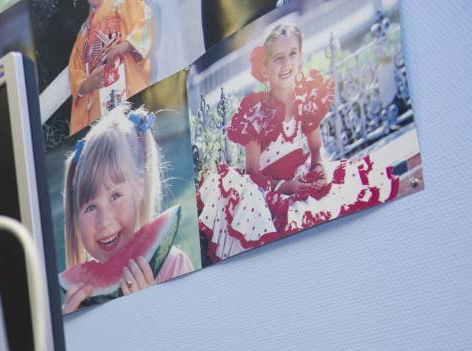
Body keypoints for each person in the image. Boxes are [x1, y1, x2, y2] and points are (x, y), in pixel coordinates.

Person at [196, 21, 399, 262]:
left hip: (301, 179)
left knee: (343, 199)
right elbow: (253, 176)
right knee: (298, 229)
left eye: (292, 54)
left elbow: (315, 150)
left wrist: (318, 168)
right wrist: (287, 187)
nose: (286, 64)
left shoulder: (304, 99)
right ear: (265, 69)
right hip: (273, 190)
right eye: (278, 58)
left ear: (300, 58)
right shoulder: (257, 112)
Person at [61, 104, 193, 314]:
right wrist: (72, 328)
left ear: (139, 189)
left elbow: (190, 339)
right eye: (90, 207)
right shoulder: (82, 295)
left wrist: (150, 312)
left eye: (115, 196)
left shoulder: (174, 266)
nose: (104, 221)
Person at [68, 0, 154, 136]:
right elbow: (74, 71)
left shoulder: (125, 2)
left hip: (127, 81)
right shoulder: (83, 32)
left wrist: (125, 45)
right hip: (98, 97)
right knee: (106, 142)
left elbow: (145, 20)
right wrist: (86, 84)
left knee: (134, 134)